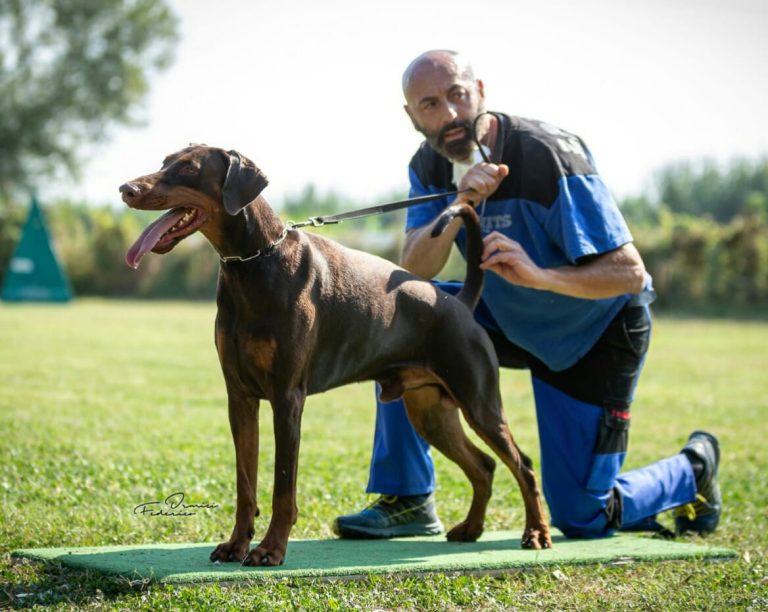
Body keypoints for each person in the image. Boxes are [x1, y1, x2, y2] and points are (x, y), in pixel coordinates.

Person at [333, 49, 722, 540]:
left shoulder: (547, 153)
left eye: (457, 95)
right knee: (401, 321)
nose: (449, 115)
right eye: (430, 104)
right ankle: (408, 498)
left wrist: (538, 275)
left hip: (594, 333)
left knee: (582, 517)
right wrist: (461, 201)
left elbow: (628, 272)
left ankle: (694, 469)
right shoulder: (429, 165)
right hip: (506, 314)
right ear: (412, 117)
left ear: (480, 92)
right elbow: (414, 264)